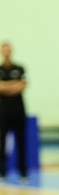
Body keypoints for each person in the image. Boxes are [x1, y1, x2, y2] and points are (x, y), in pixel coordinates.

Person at [0, 41, 28, 182]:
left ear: (11, 51)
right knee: (1, 142)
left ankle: (23, 173)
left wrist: (6, 86)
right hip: (3, 112)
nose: (6, 52)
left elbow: (23, 85)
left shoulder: (20, 68)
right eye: (3, 50)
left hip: (18, 111)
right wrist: (13, 85)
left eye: (8, 49)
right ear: (1, 52)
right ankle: (2, 173)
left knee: (21, 141)